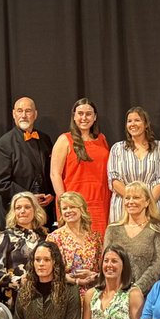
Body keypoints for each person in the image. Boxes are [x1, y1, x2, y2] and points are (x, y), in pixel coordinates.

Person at [50, 98, 112, 238]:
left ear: (95, 117)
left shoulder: (102, 139)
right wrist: (64, 201)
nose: (84, 117)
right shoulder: (64, 139)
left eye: (88, 114)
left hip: (101, 203)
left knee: (99, 246)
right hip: (74, 204)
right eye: (80, 113)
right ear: (74, 116)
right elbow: (55, 174)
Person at [102, 181, 160, 296]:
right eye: (127, 198)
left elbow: (158, 264)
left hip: (148, 295)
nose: (131, 202)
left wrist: (136, 290)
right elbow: (107, 263)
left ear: (147, 202)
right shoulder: (113, 229)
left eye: (136, 198)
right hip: (116, 294)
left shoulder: (158, 229)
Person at [107, 106, 160, 225]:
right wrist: (133, 202)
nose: (133, 124)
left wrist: (146, 203)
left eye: (137, 120)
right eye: (129, 121)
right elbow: (114, 180)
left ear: (146, 124)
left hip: (154, 206)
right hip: (124, 208)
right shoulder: (117, 148)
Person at [0, 97, 54, 213]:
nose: (24, 115)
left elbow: (51, 172)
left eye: (28, 111)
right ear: (14, 114)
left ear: (35, 114)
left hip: (44, 211)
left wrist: (51, 194)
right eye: (20, 111)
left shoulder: (45, 139)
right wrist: (28, 197)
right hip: (17, 213)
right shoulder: (3, 144)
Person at [0, 191, 49, 305]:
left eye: (27, 207)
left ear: (35, 210)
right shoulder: (4, 237)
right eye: (18, 208)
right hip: (15, 300)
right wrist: (19, 280)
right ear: (13, 212)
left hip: (44, 298)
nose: (22, 211)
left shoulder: (45, 237)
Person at [46, 191, 102, 287]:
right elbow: (50, 272)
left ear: (81, 209)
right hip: (67, 291)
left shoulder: (95, 237)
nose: (68, 211)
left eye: (72, 207)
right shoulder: (54, 238)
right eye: (64, 208)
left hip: (93, 290)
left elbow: (101, 269)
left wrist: (93, 276)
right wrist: (75, 281)